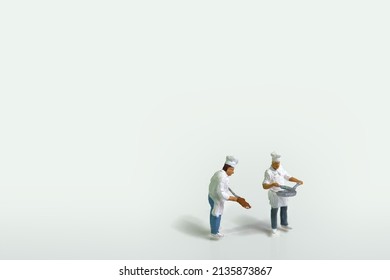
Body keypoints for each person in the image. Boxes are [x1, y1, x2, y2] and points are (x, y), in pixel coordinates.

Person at [208, 156, 250, 239]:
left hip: (211, 196)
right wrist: (236, 199)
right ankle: (214, 233)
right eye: (232, 170)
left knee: (215, 212)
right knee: (216, 214)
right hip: (216, 198)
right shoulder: (222, 178)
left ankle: (215, 227)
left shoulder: (219, 173)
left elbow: (224, 187)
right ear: (229, 169)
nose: (233, 172)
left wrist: (237, 197)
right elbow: (221, 194)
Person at [262, 152, 303, 235]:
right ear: (272, 163)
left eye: (278, 163)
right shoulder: (268, 172)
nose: (277, 166)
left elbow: (288, 177)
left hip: (283, 192)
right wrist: (272, 184)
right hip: (274, 193)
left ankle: (284, 224)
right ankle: (274, 227)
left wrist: (297, 180)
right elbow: (264, 185)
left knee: (284, 207)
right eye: (276, 164)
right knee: (275, 210)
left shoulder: (281, 168)